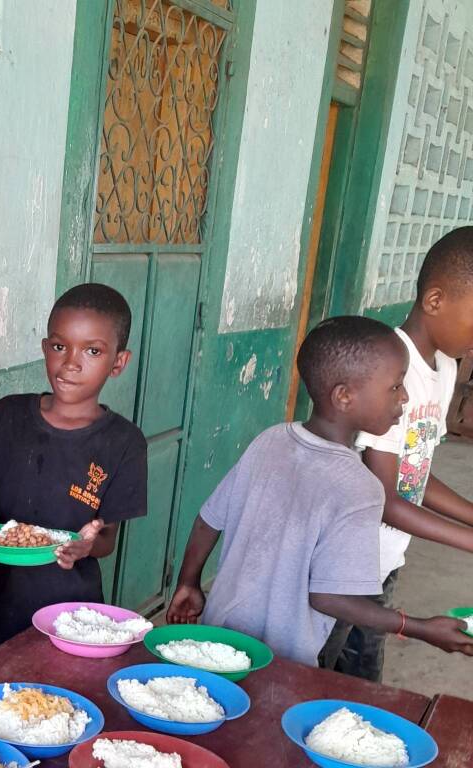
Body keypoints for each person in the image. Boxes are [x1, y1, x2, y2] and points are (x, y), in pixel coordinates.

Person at [167, 316, 473, 667]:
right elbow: (329, 598)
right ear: (344, 396)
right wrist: (418, 627)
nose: (404, 397)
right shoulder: (360, 488)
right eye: (394, 387)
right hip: (281, 662)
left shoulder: (270, 441)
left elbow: (208, 520)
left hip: (217, 639)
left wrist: (188, 583)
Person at [0, 283, 148, 652]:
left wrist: (85, 545)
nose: (71, 362)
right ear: (46, 348)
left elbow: (106, 539)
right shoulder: (7, 415)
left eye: (93, 351)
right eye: (60, 346)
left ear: (118, 363)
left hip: (71, 623)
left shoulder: (124, 443)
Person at [321, 226, 473, 681]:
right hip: (343, 567)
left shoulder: (444, 366)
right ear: (434, 301)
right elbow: (383, 498)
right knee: (325, 673)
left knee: (358, 678)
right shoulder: (389, 369)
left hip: (383, 562)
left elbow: (415, 471)